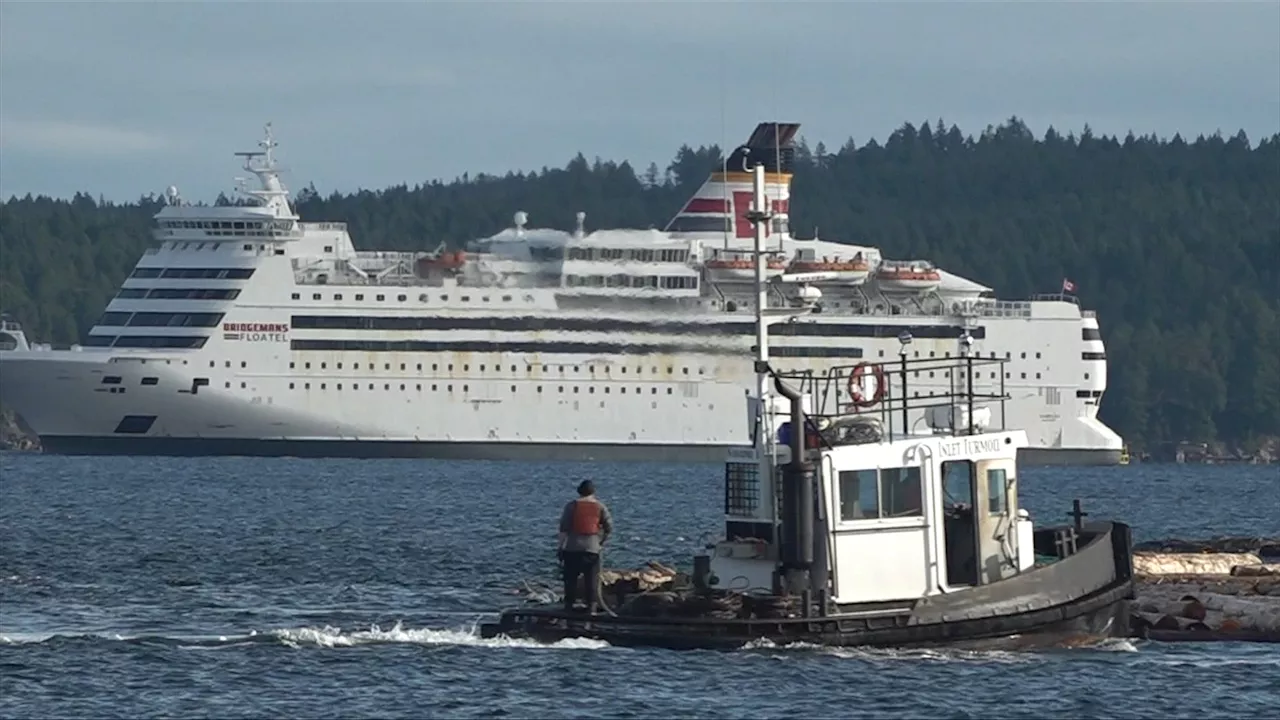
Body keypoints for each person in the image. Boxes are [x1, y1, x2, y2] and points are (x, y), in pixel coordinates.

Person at [558, 480, 613, 614]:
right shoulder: (600, 507)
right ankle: (591, 610)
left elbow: (563, 529)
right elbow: (609, 527)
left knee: (570, 580)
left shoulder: (571, 506)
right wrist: (601, 542)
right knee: (592, 581)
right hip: (592, 549)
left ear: (579, 491)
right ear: (593, 491)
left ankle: (568, 608)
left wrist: (560, 548)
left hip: (572, 549)